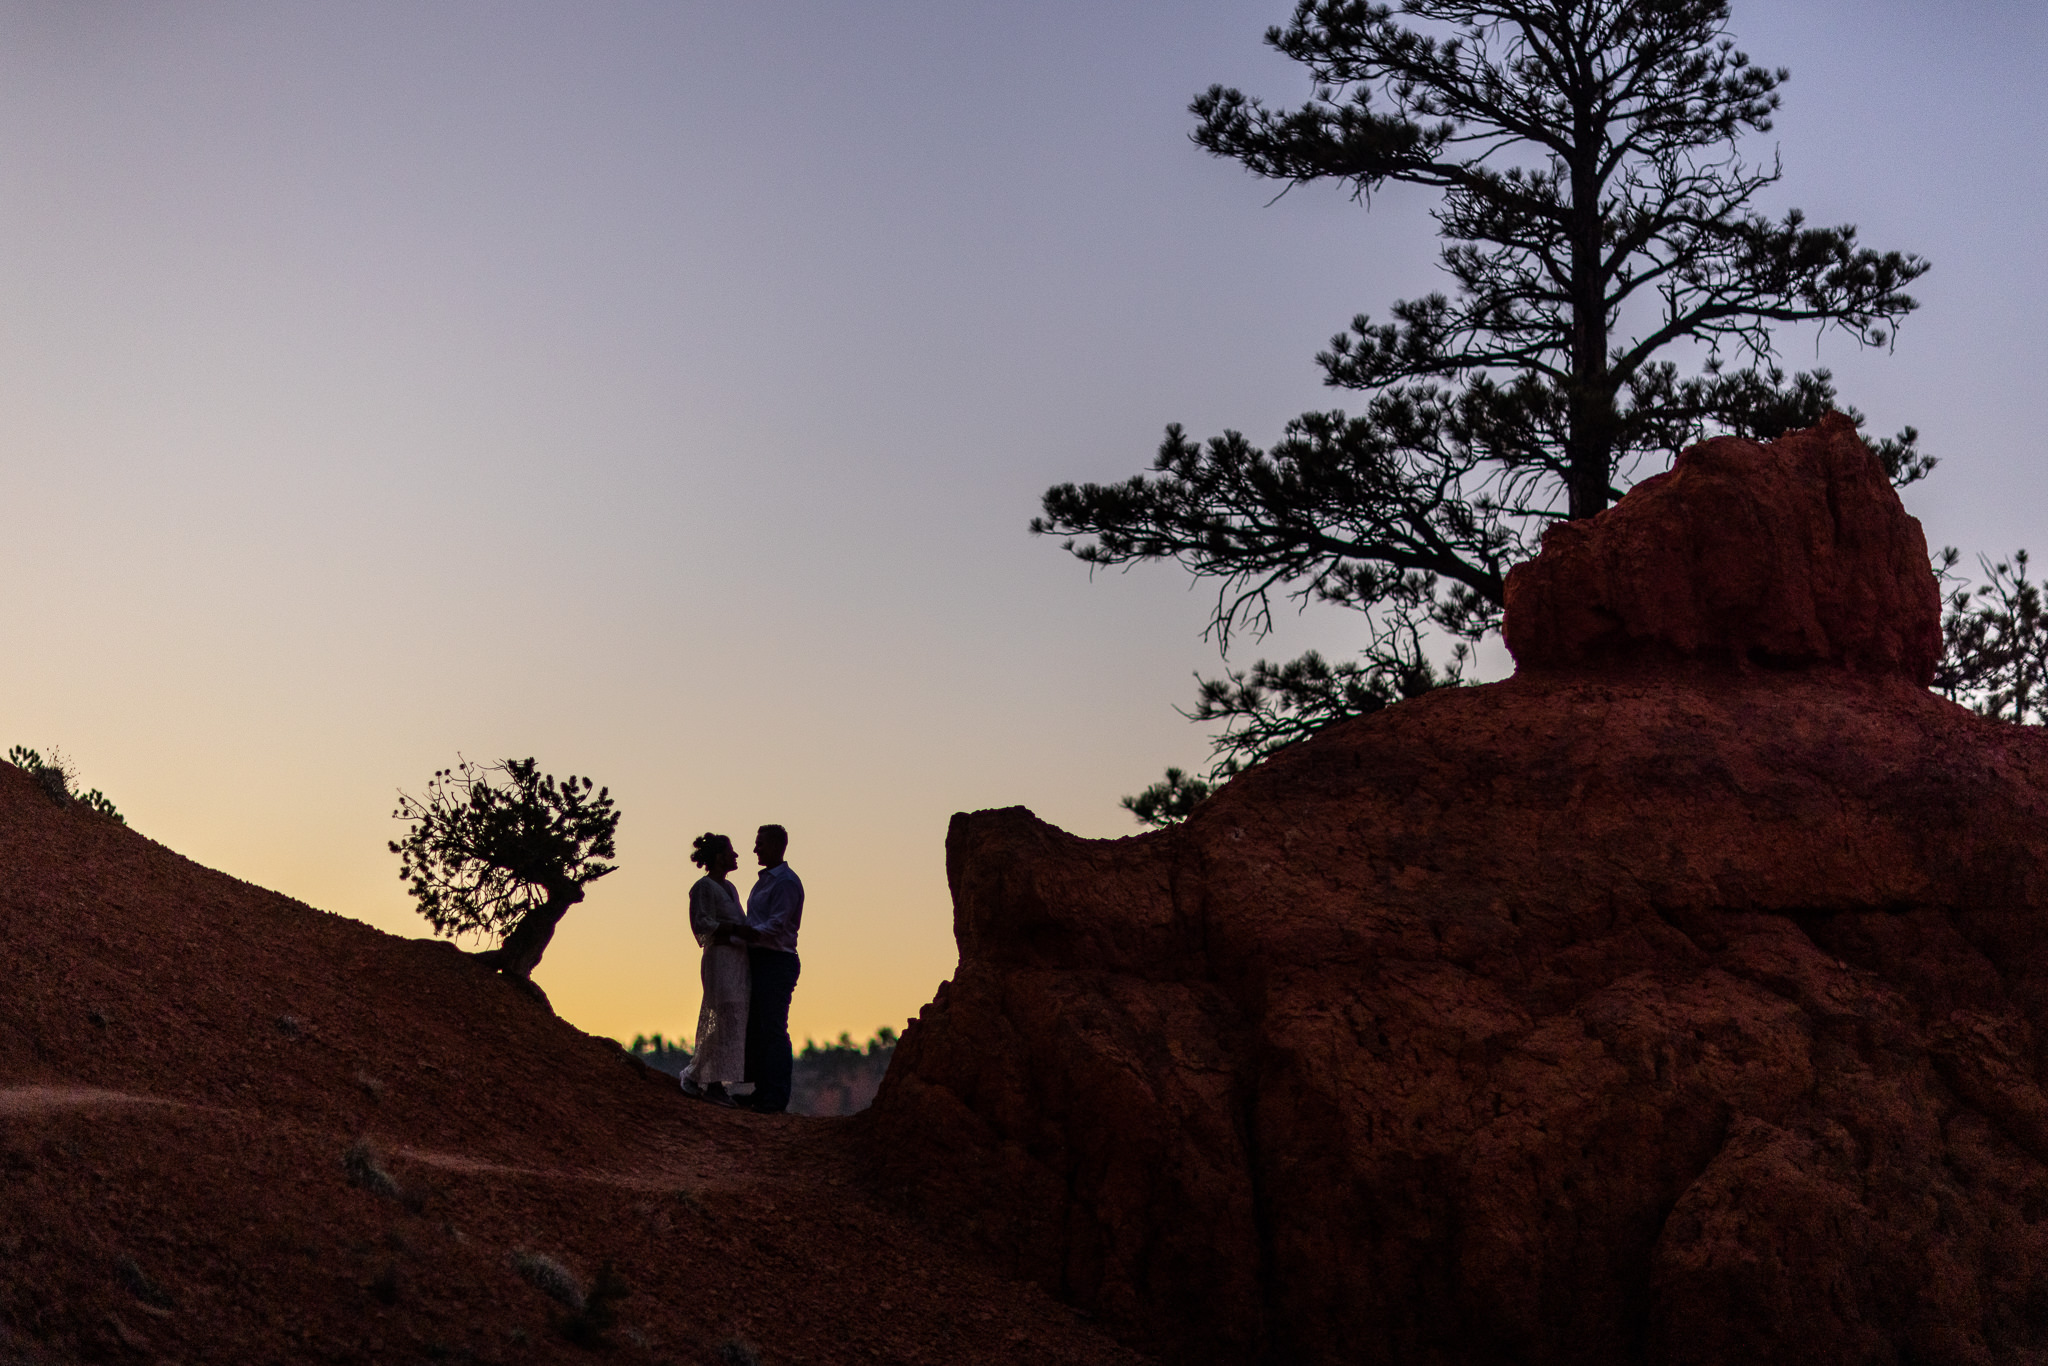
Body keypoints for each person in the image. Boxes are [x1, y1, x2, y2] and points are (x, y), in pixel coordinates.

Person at [679, 832, 748, 1107]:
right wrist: (734, 930)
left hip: (737, 962)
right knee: (721, 1017)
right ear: (719, 857)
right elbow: (702, 925)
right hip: (719, 959)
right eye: (730, 851)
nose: (736, 856)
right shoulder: (703, 887)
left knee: (733, 1019)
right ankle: (702, 1078)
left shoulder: (729, 889)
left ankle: (713, 1080)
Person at [738, 823, 803, 1113]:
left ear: (777, 846)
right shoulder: (764, 881)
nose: (755, 849)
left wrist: (746, 933)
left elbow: (778, 923)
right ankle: (762, 1091)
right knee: (760, 1027)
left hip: (777, 960)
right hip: (761, 958)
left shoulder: (786, 882)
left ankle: (776, 1097)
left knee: (774, 1027)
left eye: (760, 844)